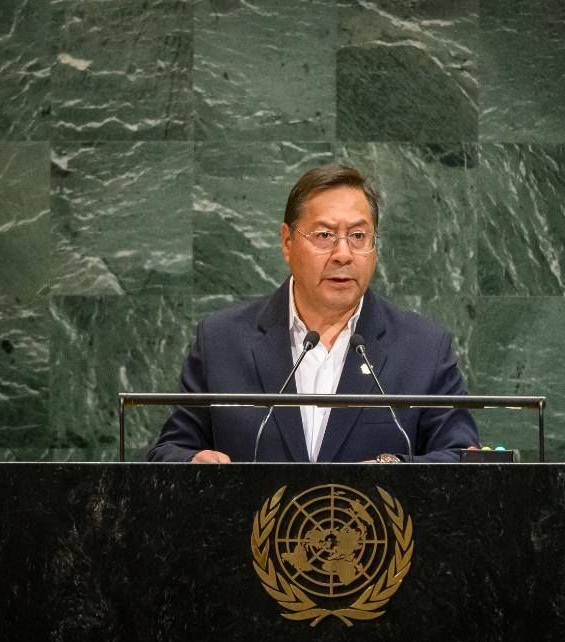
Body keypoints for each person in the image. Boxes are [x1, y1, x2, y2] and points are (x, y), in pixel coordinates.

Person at [146, 164, 478, 463]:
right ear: (287, 242)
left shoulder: (424, 349)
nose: (343, 254)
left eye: (358, 236)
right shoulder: (222, 342)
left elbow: (462, 457)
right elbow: (170, 450)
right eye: (324, 235)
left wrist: (393, 466)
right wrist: (193, 463)